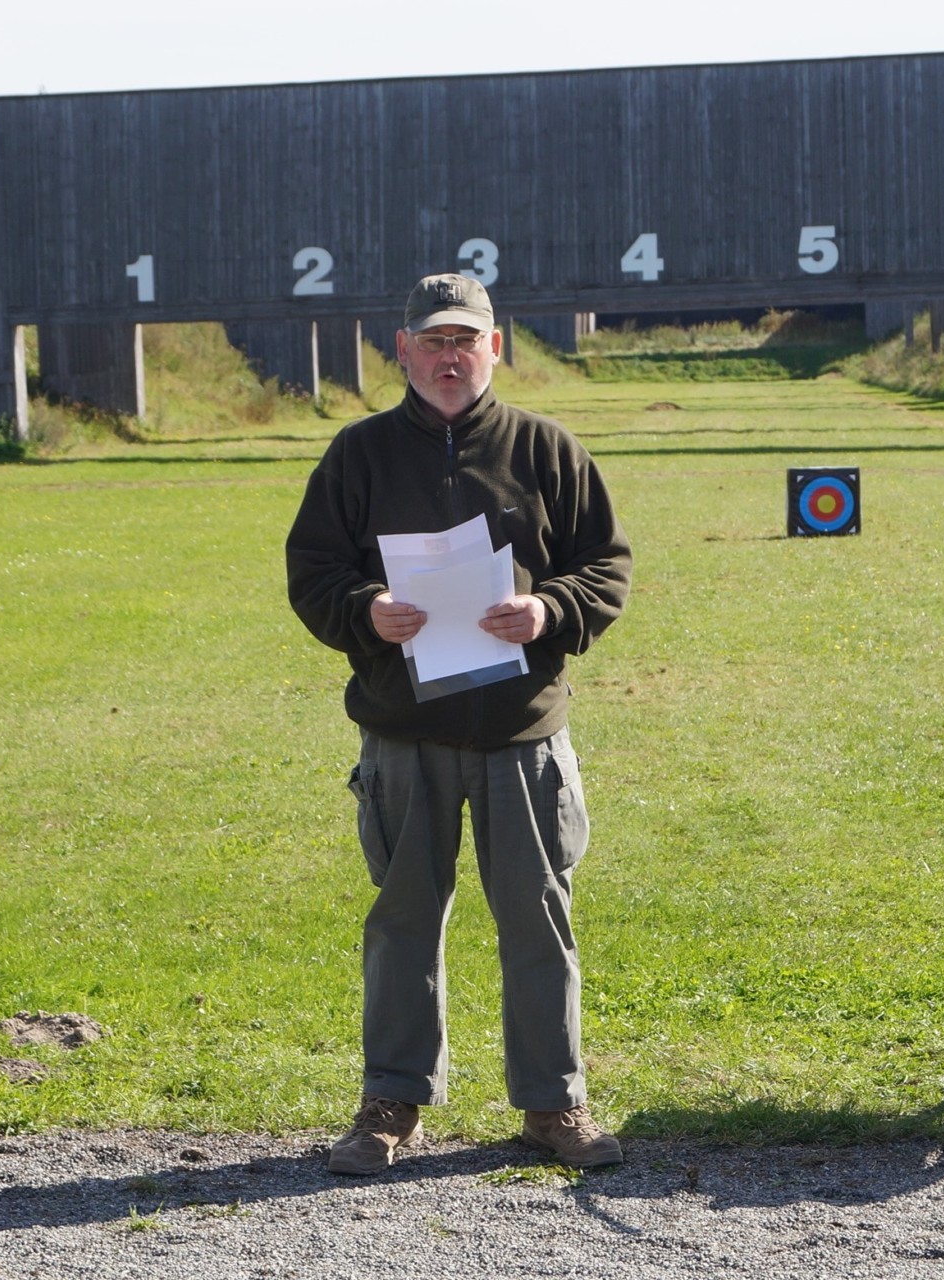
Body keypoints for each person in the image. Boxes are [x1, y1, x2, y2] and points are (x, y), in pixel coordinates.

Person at [286, 274, 633, 1175]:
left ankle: (554, 1106)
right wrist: (366, 610)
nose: (449, 358)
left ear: (495, 347)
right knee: (402, 920)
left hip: (522, 735)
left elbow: (607, 566)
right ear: (402, 351)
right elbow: (312, 571)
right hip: (406, 733)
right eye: (432, 342)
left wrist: (551, 610)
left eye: (464, 341)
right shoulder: (357, 456)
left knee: (538, 917)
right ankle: (390, 1105)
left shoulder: (548, 449)